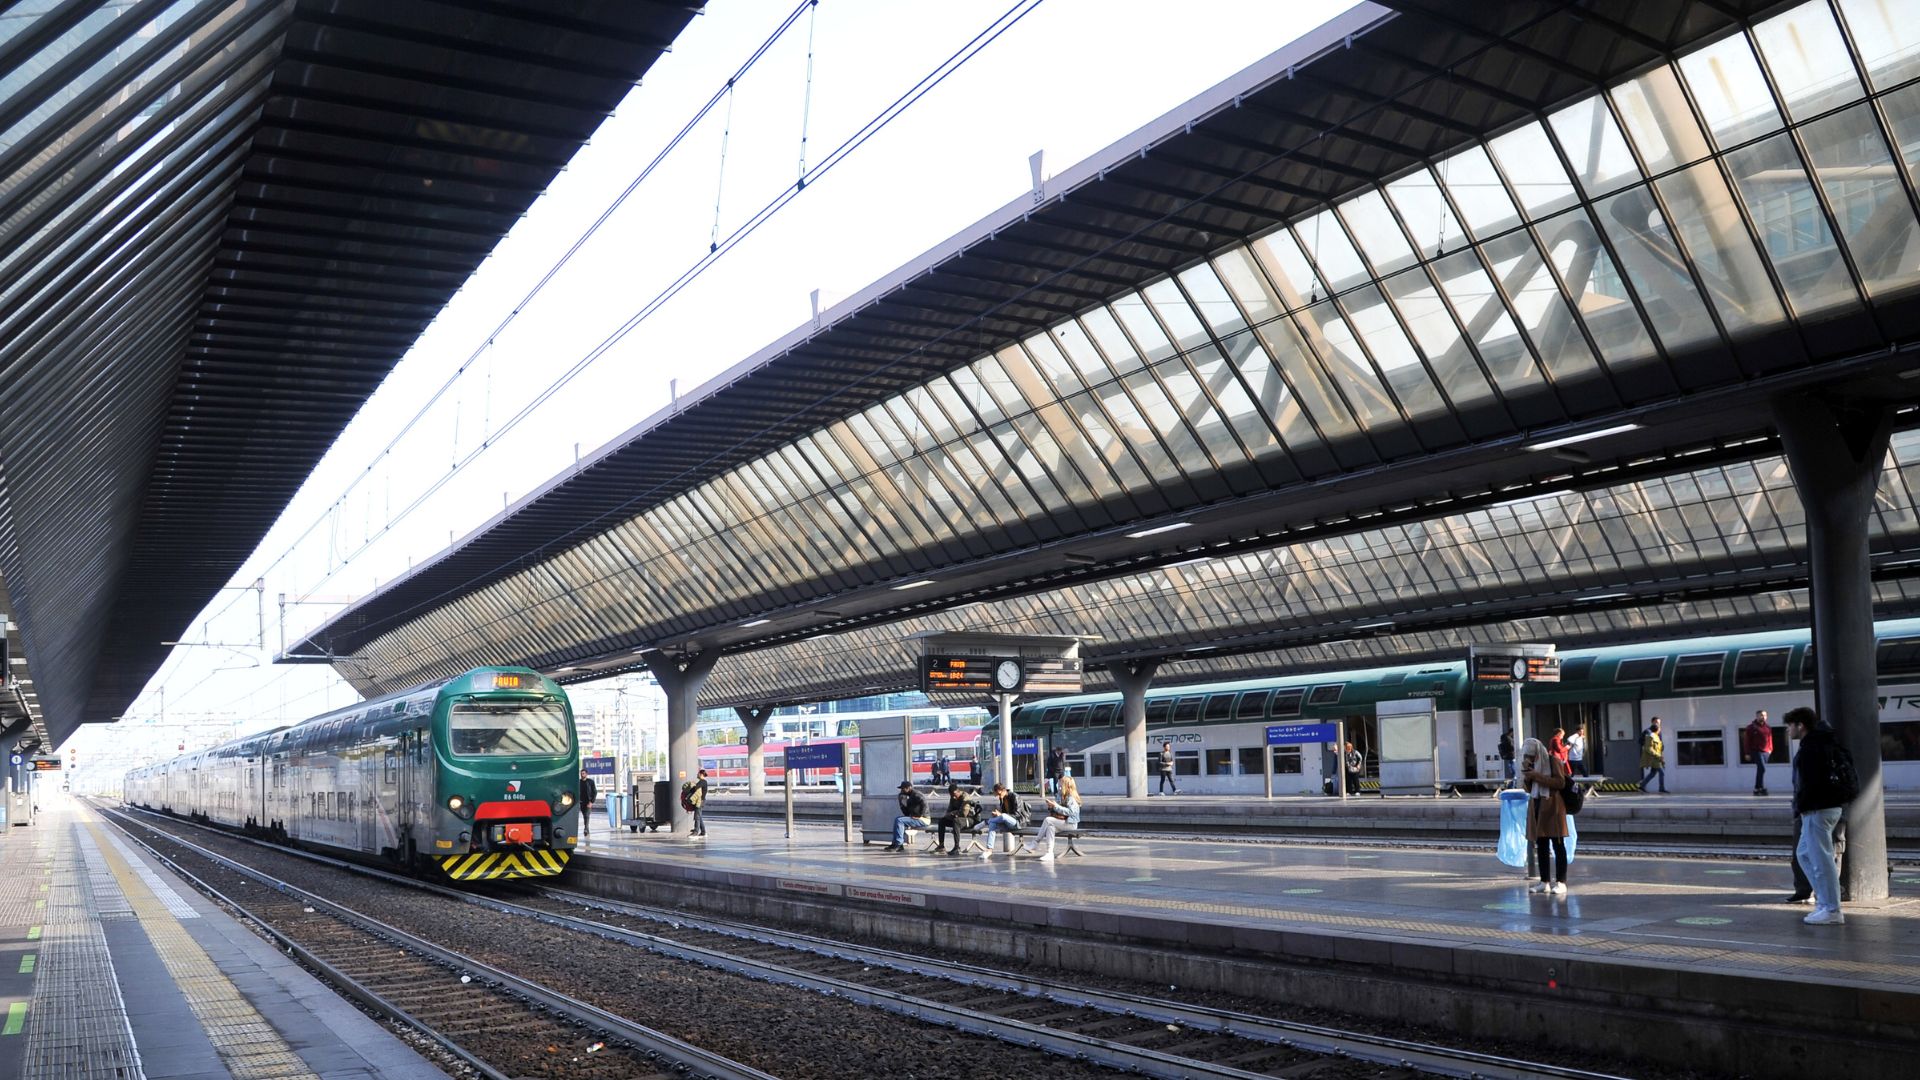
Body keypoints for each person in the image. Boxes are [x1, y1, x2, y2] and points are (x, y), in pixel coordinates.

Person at [1786, 707, 1852, 925]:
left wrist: (1801, 805)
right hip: (1817, 809)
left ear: (1800, 725)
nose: (1788, 730)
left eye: (1790, 725)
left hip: (1818, 809)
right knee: (1804, 854)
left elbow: (1811, 783)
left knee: (1821, 860)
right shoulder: (1815, 745)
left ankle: (1832, 909)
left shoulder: (1812, 749)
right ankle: (1824, 902)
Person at [1520, 737, 1571, 895]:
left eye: (1532, 755)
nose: (1530, 758)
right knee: (1541, 845)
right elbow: (1529, 788)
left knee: (1558, 844)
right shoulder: (1532, 765)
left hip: (1553, 806)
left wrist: (1536, 776)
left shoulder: (1552, 761)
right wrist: (1527, 775)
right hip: (1537, 806)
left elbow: (1560, 783)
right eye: (1527, 756)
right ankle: (1544, 881)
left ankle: (1561, 882)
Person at [1022, 775, 1080, 862]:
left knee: (1048, 820)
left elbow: (1070, 812)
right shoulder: (1060, 795)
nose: (1058, 785)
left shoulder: (1071, 797)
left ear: (1065, 785)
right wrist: (1051, 806)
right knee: (1050, 827)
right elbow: (1058, 809)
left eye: (1060, 783)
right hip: (1063, 822)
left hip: (1071, 824)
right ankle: (1049, 853)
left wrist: (1055, 806)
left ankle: (1035, 843)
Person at [977, 783, 1022, 859]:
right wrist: (998, 815)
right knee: (992, 824)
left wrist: (1001, 815)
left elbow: (1017, 814)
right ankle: (989, 850)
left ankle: (986, 822)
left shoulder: (1015, 797)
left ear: (1001, 791)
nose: (998, 797)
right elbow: (1003, 815)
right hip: (1007, 822)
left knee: (1002, 816)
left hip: (1017, 823)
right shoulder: (1002, 798)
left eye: (998, 794)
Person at [885, 780, 930, 852]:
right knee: (898, 819)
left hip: (923, 819)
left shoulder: (916, 794)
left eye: (903, 788)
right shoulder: (909, 797)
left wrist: (920, 815)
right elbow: (906, 813)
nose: (902, 790)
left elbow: (924, 803)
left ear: (909, 788)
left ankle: (899, 844)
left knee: (899, 820)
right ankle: (895, 843)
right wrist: (901, 802)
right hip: (915, 817)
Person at [934, 783, 977, 854]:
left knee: (956, 821)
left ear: (958, 791)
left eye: (954, 795)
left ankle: (957, 847)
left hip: (970, 820)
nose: (953, 797)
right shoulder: (953, 798)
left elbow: (964, 813)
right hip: (958, 819)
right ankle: (941, 846)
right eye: (951, 795)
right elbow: (948, 811)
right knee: (942, 821)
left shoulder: (965, 797)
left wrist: (953, 813)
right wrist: (951, 814)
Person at [1745, 710, 1773, 796]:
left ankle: (1758, 788)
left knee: (1760, 770)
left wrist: (1770, 749)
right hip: (1756, 751)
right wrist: (1747, 753)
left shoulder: (1768, 727)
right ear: (1757, 716)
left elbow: (1770, 739)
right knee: (1762, 768)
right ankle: (1758, 787)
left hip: (1766, 752)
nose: (1763, 717)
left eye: (1765, 715)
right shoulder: (1751, 727)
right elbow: (1746, 741)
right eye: (1761, 715)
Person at [1639, 717, 1667, 793]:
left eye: (1659, 722)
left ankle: (1642, 785)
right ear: (1652, 722)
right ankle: (1661, 788)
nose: (1658, 723)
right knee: (1662, 772)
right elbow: (1647, 745)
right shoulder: (1648, 732)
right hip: (1653, 756)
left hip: (1657, 755)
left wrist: (1661, 754)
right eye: (1656, 722)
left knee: (1653, 773)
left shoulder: (1658, 731)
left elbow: (1660, 744)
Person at [688, 769, 709, 836]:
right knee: (699, 816)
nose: (697, 775)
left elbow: (695, 788)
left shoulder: (702, 781)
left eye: (698, 773)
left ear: (701, 774)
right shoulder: (703, 782)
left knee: (697, 816)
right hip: (701, 801)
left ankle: (695, 832)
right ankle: (703, 832)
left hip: (700, 801)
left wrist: (689, 789)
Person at [577, 768, 598, 837]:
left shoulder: (590, 782)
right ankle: (587, 828)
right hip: (581, 802)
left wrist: (591, 802)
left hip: (588, 802)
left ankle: (585, 829)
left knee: (587, 815)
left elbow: (594, 792)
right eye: (581, 773)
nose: (582, 775)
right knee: (584, 816)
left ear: (586, 774)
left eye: (583, 773)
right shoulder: (578, 782)